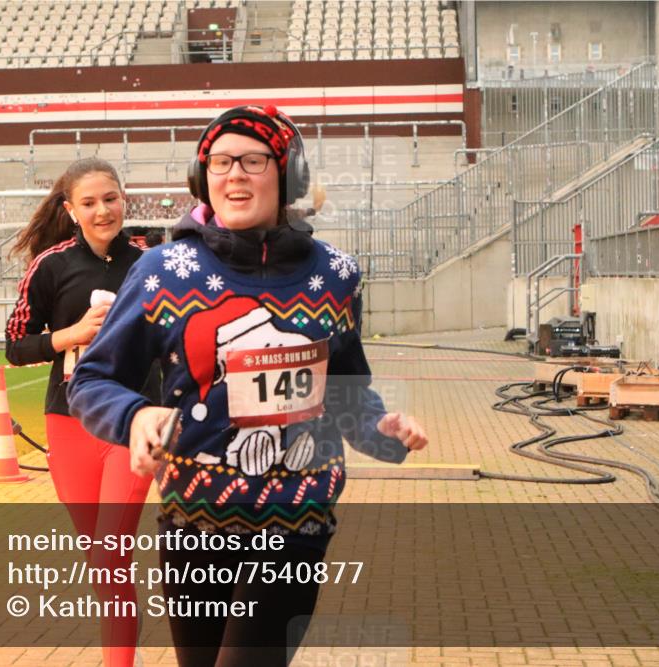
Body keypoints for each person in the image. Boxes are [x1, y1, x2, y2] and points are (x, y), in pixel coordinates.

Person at [68, 105, 428, 666]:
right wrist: (135, 415)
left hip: (295, 519)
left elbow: (349, 389)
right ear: (201, 177)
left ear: (289, 176)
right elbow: (92, 379)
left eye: (253, 160)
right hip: (193, 521)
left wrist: (380, 429)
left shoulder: (334, 274)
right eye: (219, 161)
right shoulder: (163, 269)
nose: (233, 174)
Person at [4, 157, 150, 667]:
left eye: (110, 198)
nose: (102, 210)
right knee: (101, 561)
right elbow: (15, 346)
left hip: (131, 421)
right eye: (88, 202)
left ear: (123, 199)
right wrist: (72, 334)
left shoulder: (151, 261)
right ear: (70, 210)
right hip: (68, 422)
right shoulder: (51, 266)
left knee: (113, 551)